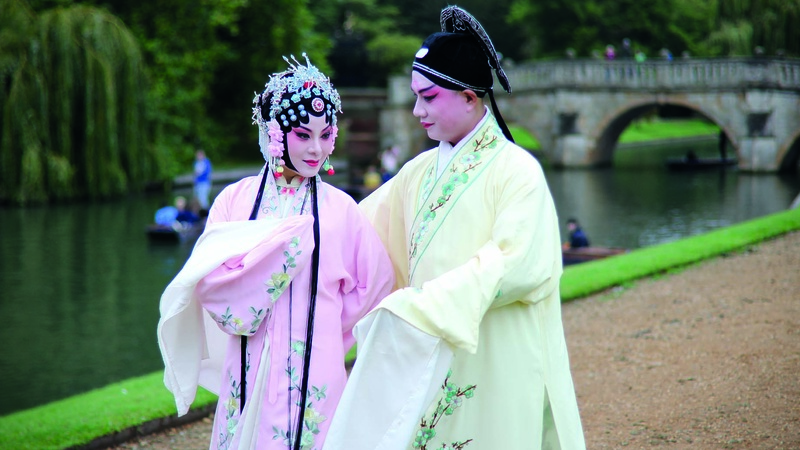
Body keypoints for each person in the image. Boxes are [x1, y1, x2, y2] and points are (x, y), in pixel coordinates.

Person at [324, 6, 586, 450]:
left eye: (428, 97)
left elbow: (517, 263)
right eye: (414, 96)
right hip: (426, 345)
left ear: (470, 97)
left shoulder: (518, 171)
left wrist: (422, 308)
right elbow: (357, 231)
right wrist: (294, 237)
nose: (415, 110)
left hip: (495, 352)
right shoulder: (419, 170)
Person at [157, 54, 395, 450]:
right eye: (303, 134)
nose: (316, 149)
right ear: (274, 133)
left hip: (318, 365)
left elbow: (375, 285)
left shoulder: (343, 210)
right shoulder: (235, 201)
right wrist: (281, 263)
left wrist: (323, 328)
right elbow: (211, 285)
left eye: (325, 134)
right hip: (249, 363)